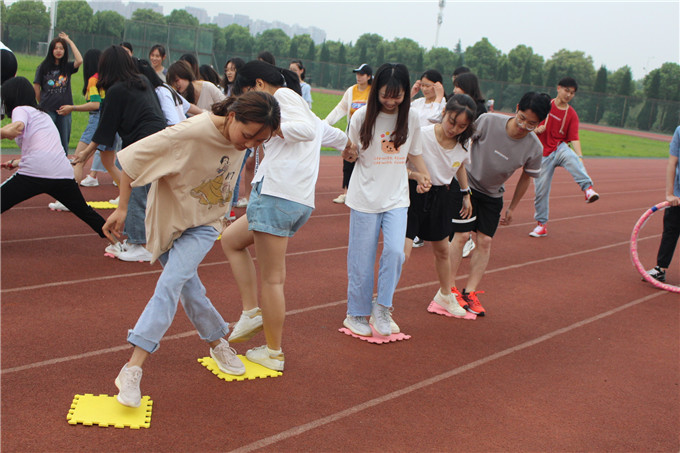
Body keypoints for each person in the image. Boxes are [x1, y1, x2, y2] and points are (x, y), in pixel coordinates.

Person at [104, 91, 281, 408]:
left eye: (259, 141)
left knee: (171, 283)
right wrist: (122, 208)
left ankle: (132, 369)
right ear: (232, 117)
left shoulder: (245, 136)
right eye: (248, 136)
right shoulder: (188, 133)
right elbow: (130, 160)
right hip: (168, 222)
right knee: (190, 289)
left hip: (205, 223)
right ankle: (217, 341)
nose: (249, 145)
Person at [221, 60, 350, 371]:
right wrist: (350, 147)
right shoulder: (303, 108)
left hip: (277, 196)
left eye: (247, 93)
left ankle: (273, 352)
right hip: (290, 200)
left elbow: (306, 131)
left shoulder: (282, 98)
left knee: (273, 280)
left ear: (259, 85)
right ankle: (251, 312)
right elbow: (329, 133)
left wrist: (271, 128)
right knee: (231, 240)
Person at [341, 63, 431, 337]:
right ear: (375, 91)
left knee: (395, 252)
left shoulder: (411, 118)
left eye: (397, 96)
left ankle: (382, 307)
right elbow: (351, 152)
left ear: (406, 93)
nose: (390, 102)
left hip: (396, 197)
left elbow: (414, 152)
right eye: (384, 96)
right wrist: (349, 155)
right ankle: (356, 313)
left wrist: (424, 175)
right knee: (362, 259)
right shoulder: (361, 117)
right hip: (365, 197)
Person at [449, 92, 551, 316]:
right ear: (517, 108)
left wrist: (512, 207)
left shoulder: (534, 147)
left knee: (485, 241)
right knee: (462, 236)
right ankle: (448, 290)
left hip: (492, 194)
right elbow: (463, 143)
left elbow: (526, 177)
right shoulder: (488, 121)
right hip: (467, 185)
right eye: (522, 118)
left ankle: (470, 292)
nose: (523, 126)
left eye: (531, 124)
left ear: (540, 123)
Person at [72, 45, 167, 262]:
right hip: (161, 139)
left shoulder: (116, 90)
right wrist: (86, 153)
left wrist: (86, 153)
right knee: (147, 192)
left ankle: (139, 244)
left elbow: (105, 128)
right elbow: (108, 127)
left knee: (137, 192)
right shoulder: (142, 81)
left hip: (142, 144)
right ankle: (144, 240)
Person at [0, 77, 110, 243]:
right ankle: (116, 242)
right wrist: (16, 163)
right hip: (62, 173)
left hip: (33, 174)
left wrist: (4, 133)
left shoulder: (20, 109)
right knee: (86, 212)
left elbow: (17, 127)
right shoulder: (43, 115)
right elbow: (45, 152)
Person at [403, 94, 476, 317]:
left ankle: (445, 295)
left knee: (443, 250)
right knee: (402, 253)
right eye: (452, 121)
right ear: (444, 113)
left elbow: (460, 166)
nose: (454, 129)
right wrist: (416, 176)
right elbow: (398, 165)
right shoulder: (422, 135)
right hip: (413, 194)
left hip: (441, 196)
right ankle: (382, 301)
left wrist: (465, 193)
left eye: (462, 126)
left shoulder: (464, 143)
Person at [529, 77, 600, 238]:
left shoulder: (572, 114)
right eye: (566, 90)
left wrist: (580, 156)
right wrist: (535, 130)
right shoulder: (544, 105)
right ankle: (541, 225)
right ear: (558, 88)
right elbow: (528, 122)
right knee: (541, 191)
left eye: (572, 93)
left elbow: (574, 137)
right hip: (541, 154)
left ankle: (588, 189)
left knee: (572, 158)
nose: (568, 95)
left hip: (559, 148)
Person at [55, 49, 121, 195]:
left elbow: (96, 105)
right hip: (111, 123)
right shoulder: (111, 79)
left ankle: (69, 199)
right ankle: (129, 196)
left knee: (78, 161)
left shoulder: (94, 80)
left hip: (97, 120)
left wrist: (72, 108)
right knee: (109, 164)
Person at [408, 68, 447, 248]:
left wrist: (438, 97)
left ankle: (420, 232)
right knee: (411, 188)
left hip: (430, 152)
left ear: (438, 86)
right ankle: (412, 231)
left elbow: (434, 119)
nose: (424, 89)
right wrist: (412, 93)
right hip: (413, 150)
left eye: (428, 86)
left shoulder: (443, 103)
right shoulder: (417, 102)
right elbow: (404, 113)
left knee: (425, 189)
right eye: (422, 85)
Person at [325, 63, 373, 204]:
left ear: (369, 76)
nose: (358, 76)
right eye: (357, 74)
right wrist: (326, 123)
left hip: (368, 134)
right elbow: (341, 108)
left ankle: (363, 194)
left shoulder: (373, 91)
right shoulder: (351, 91)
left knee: (366, 162)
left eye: (362, 74)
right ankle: (346, 193)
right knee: (348, 161)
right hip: (352, 133)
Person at [452, 71, 488, 257]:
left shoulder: (480, 110)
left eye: (457, 86)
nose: (454, 90)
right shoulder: (455, 103)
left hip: (469, 159)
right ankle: (457, 234)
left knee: (463, 194)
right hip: (453, 154)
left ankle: (465, 237)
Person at [33, 32, 83, 155]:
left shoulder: (67, 67)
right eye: (56, 48)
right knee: (47, 141)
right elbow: (36, 87)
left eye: (61, 48)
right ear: (51, 50)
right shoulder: (43, 67)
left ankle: (62, 164)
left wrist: (69, 41)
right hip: (48, 109)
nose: (58, 51)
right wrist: (42, 103)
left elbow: (80, 60)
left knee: (63, 142)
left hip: (65, 110)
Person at [644, 125, 680, 283]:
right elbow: (672, 163)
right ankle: (660, 268)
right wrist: (670, 194)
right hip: (678, 196)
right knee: (670, 230)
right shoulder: (679, 131)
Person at [136, 59, 202, 126]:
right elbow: (189, 106)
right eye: (173, 83)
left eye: (177, 80)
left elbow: (173, 123)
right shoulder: (166, 88)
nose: (176, 85)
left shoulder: (161, 92)